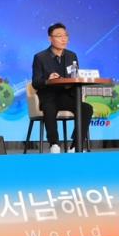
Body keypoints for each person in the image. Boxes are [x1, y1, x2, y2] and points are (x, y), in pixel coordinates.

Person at [32, 22, 93, 153]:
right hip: (49, 96)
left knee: (86, 108)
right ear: (50, 38)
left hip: (66, 96)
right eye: (59, 36)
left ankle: (76, 145)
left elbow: (75, 76)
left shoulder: (72, 56)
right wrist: (48, 80)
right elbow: (35, 82)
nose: (63, 39)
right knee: (49, 107)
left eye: (65, 35)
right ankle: (54, 143)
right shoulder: (40, 57)